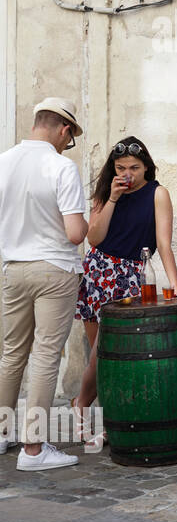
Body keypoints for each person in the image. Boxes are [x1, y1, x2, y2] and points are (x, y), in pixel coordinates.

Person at [75, 137, 177, 433]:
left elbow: (163, 244)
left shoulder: (157, 193)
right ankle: (106, 419)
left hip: (129, 276)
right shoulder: (105, 191)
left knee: (108, 353)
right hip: (98, 272)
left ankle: (82, 404)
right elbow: (94, 239)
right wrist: (111, 199)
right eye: (121, 167)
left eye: (135, 167)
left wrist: (174, 284)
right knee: (101, 357)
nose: (128, 174)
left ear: (147, 167)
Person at [0, 98, 88, 470]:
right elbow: (74, 233)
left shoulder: (3, 161)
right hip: (54, 269)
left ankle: (2, 433)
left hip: (12, 268)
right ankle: (33, 449)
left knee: (10, 353)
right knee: (46, 356)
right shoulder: (61, 166)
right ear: (64, 130)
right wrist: (86, 225)